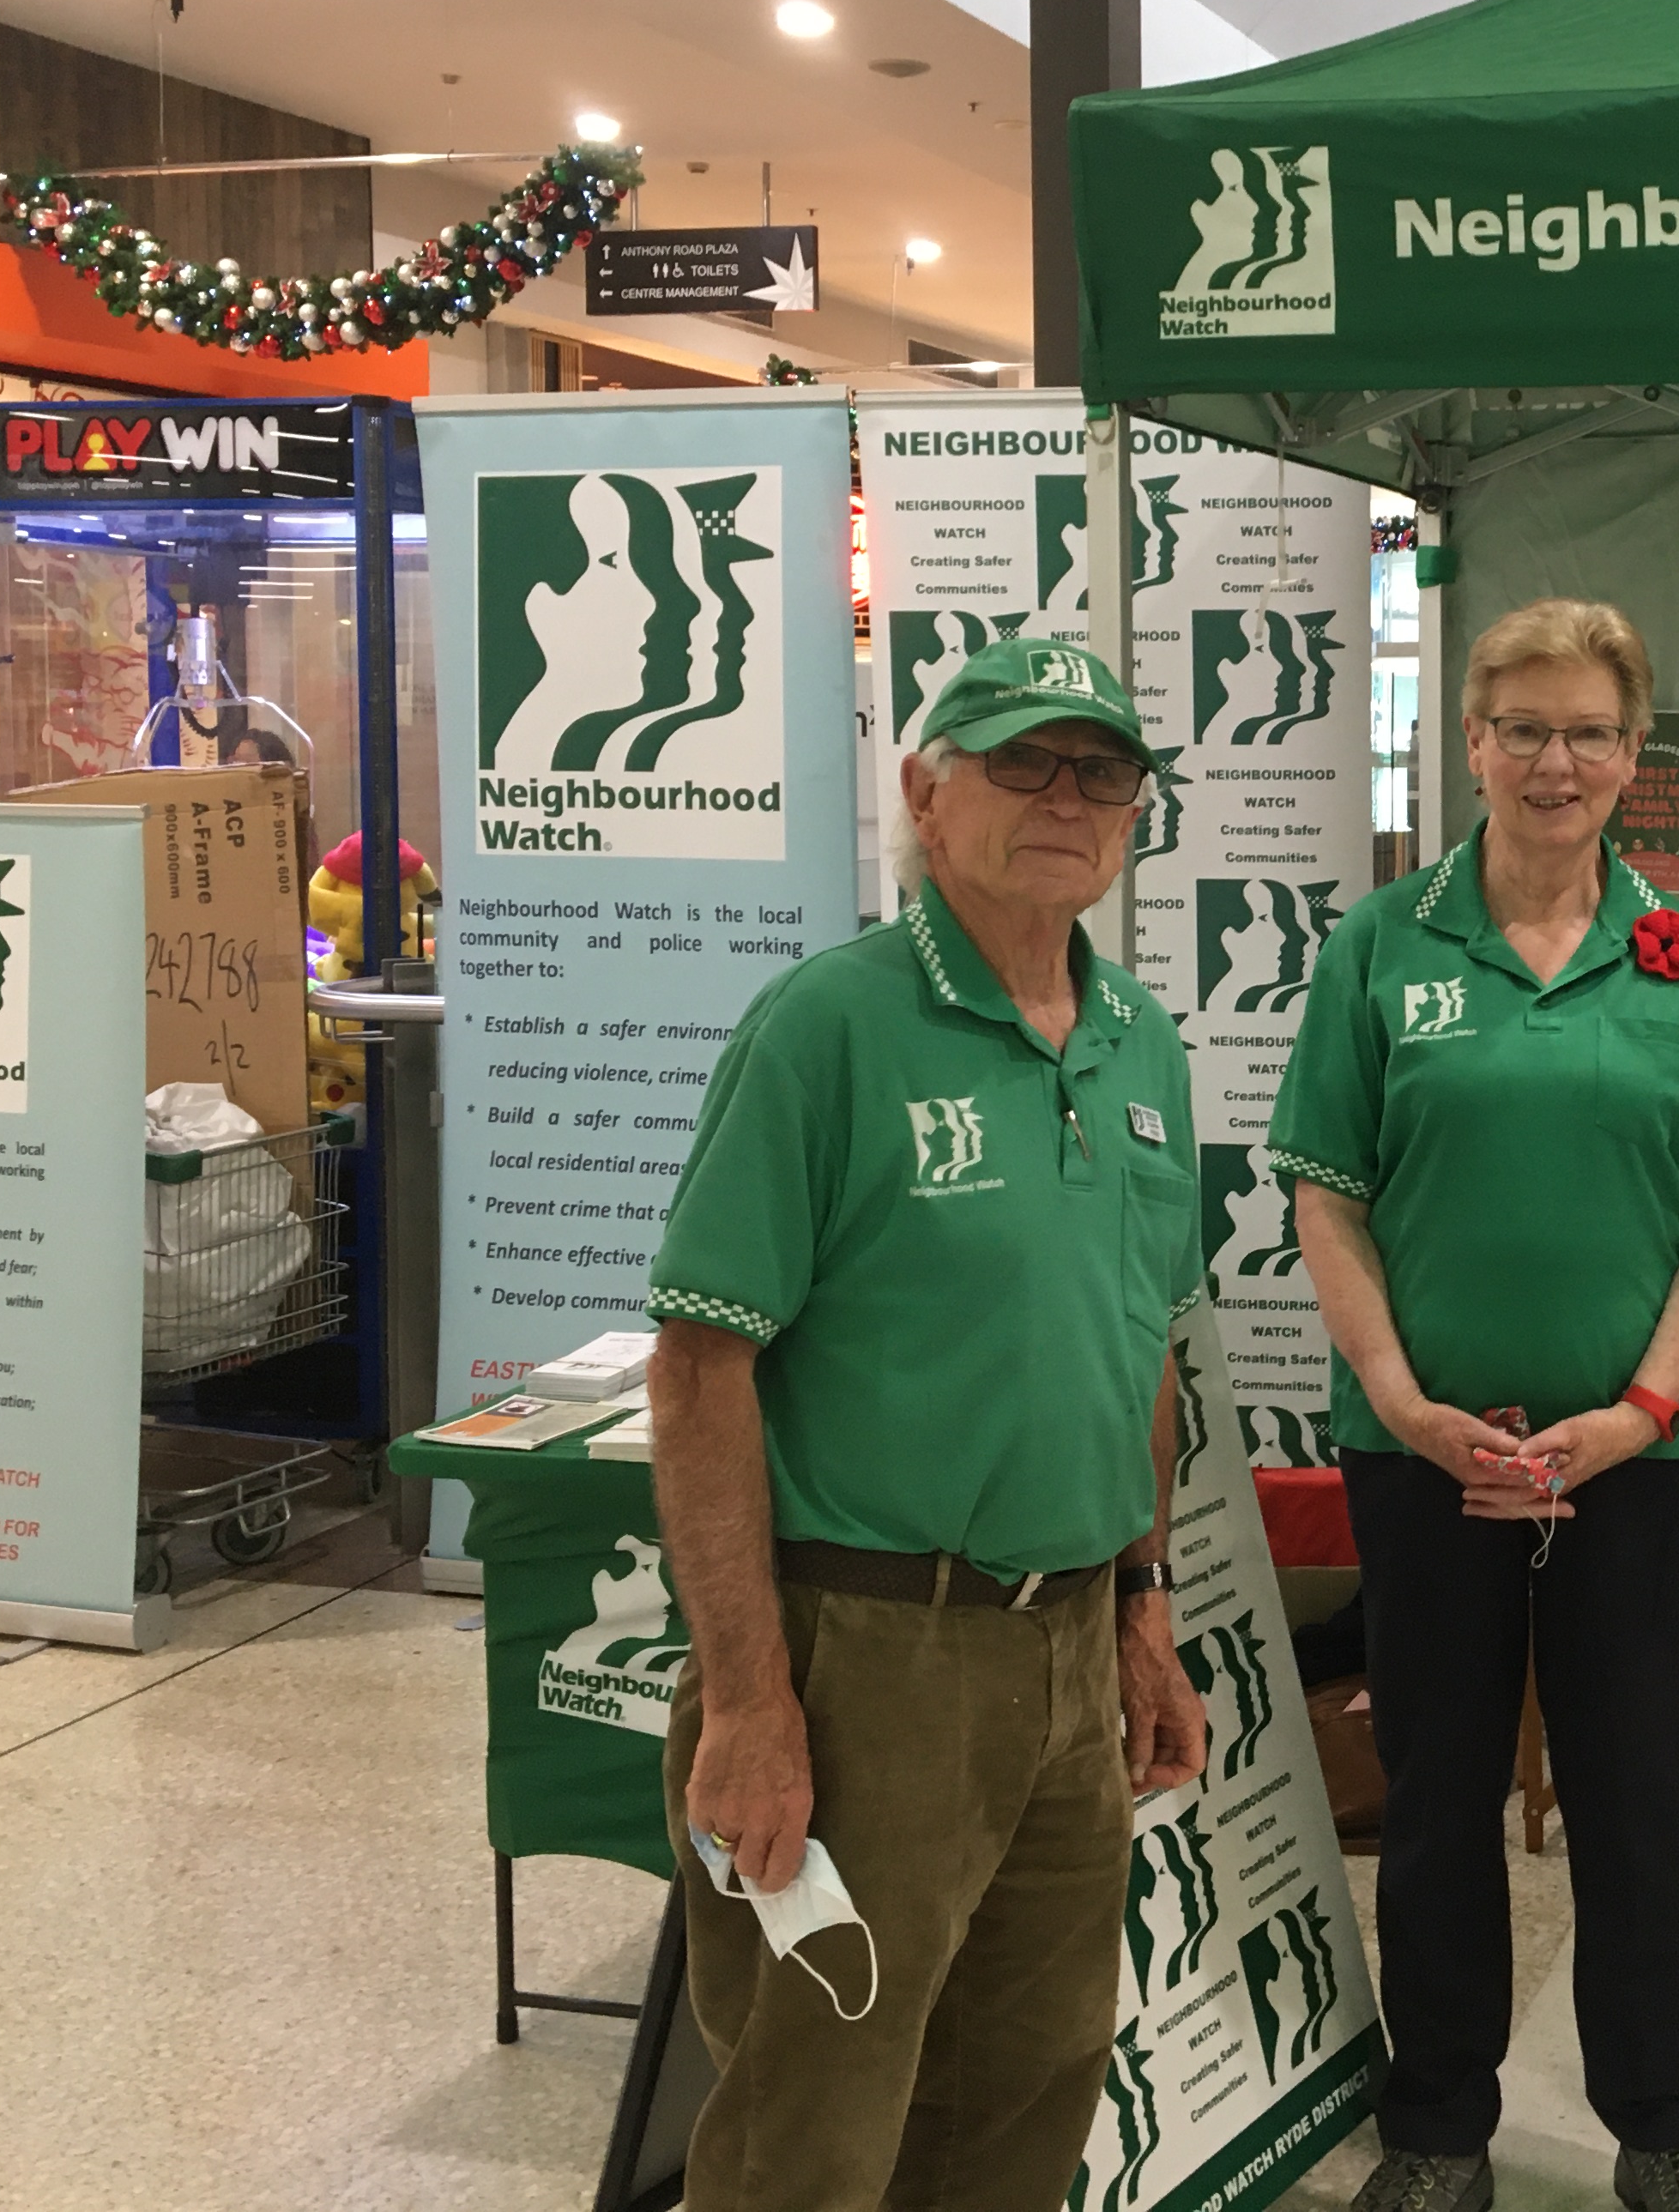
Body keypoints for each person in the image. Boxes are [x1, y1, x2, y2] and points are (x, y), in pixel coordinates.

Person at [643, 636, 1210, 2212]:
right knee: (810, 2132)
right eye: (1021, 759)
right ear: (925, 790)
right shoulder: (827, 1028)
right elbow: (699, 1372)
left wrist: (1142, 1609)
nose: (1066, 798)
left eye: (1102, 771)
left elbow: (1137, 1350)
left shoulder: (1140, 1041)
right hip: (865, 1651)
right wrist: (751, 1703)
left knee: (1022, 2099)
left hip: (1069, 1650)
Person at [1269, 596, 1679, 2212]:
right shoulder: (1379, 947)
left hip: (1636, 1460)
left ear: (1638, 759)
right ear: (1469, 739)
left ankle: (1662, 2126)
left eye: (1593, 733)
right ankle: (1436, 2129)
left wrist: (1637, 1407)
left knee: (1640, 1803)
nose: (1557, 761)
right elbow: (1328, 1196)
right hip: (1427, 1458)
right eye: (1525, 728)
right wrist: (1405, 1400)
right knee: (1434, 1801)